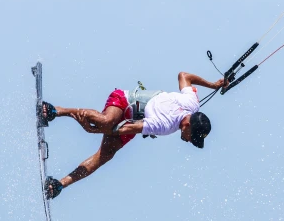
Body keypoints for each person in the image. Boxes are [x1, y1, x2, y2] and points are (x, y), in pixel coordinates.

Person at [39, 71, 225, 199]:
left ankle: (58, 186)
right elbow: (124, 128)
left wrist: (213, 85)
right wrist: (93, 129)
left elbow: (184, 76)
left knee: (105, 156)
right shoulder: (165, 125)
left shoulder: (193, 104)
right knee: (105, 122)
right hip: (125, 101)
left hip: (134, 121)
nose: (188, 141)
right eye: (192, 138)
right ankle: (55, 111)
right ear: (187, 125)